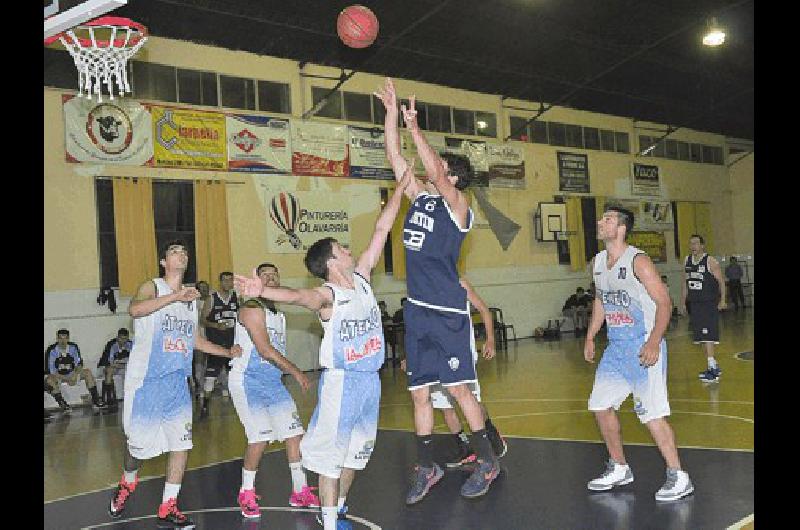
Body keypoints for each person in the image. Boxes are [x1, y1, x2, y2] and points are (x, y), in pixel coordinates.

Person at [235, 164, 412, 530]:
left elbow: (382, 229)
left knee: (355, 458)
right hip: (342, 383)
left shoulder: (362, 278)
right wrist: (262, 291)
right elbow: (298, 296)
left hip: (370, 383)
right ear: (332, 262)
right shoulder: (327, 296)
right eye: (342, 248)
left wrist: (399, 190)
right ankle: (330, 524)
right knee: (332, 458)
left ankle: (337, 509)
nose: (350, 250)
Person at [375, 77, 500, 503]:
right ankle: (427, 465)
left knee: (461, 390)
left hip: (447, 311)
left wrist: (415, 128)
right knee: (419, 393)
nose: (432, 170)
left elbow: (431, 170)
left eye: (440, 168)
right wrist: (392, 115)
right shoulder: (420, 198)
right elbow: (396, 159)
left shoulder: (460, 207)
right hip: (417, 310)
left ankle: (487, 459)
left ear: (452, 177)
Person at [107, 240, 242, 529]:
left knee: (182, 444)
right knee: (137, 447)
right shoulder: (153, 286)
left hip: (177, 384)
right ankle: (128, 482)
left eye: (184, 252)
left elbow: (193, 340)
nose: (180, 254)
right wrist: (175, 297)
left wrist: (226, 352)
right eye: (174, 251)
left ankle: (168, 506)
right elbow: (135, 310)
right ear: (163, 262)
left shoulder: (191, 300)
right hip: (146, 382)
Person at [584, 205, 693, 502]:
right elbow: (601, 301)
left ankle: (678, 475)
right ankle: (619, 467)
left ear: (621, 228)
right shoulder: (597, 263)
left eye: (607, 219)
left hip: (644, 344)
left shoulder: (638, 261)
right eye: (601, 217)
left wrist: (655, 341)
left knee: (651, 415)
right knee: (600, 406)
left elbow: (664, 303)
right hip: (616, 347)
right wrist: (592, 335)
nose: (600, 222)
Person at [229, 262, 321, 519]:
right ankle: (246, 492)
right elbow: (264, 350)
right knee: (260, 439)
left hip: (272, 383)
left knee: (294, 436)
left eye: (274, 274)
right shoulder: (250, 309)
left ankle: (299, 490)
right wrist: (297, 372)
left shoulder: (278, 314)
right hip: (248, 382)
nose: (270, 278)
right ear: (255, 280)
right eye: (264, 275)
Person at [403, 278, 507, 468]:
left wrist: (490, 339)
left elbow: (484, 309)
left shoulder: (459, 284)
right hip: (434, 355)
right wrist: (411, 356)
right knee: (444, 406)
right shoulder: (422, 288)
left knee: (469, 400)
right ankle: (465, 448)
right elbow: (418, 328)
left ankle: (489, 430)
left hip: (460, 353)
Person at [679, 235, 727, 383]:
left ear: (702, 245)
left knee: (708, 337)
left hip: (708, 304)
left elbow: (721, 282)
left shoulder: (710, 261)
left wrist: (723, 300)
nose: (692, 246)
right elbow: (685, 283)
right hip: (695, 304)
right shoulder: (687, 261)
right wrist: (682, 302)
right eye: (691, 243)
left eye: (695, 243)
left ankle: (713, 369)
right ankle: (711, 366)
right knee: (701, 339)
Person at [199, 271, 240, 418]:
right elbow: (202, 320)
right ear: (220, 282)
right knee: (211, 376)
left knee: (236, 374)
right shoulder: (212, 298)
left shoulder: (236, 298)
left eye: (231, 280)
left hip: (231, 342)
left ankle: (239, 404)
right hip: (216, 342)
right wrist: (216, 326)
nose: (229, 283)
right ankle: (205, 406)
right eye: (226, 280)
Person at [44, 329, 105, 412]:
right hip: (58, 375)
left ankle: (96, 400)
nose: (63, 341)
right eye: (60, 338)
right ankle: (62, 403)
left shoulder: (73, 347)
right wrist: (67, 379)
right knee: (49, 380)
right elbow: (52, 372)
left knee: (87, 372)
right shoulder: (51, 350)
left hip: (72, 373)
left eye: (65, 338)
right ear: (57, 339)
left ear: (68, 338)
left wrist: (75, 375)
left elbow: (79, 364)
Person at [97, 328, 133, 413]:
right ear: (117, 337)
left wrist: (123, 364)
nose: (122, 341)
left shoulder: (131, 344)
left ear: (127, 338)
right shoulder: (112, 344)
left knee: (130, 372)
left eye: (125, 339)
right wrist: (120, 364)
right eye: (121, 338)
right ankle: (108, 398)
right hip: (112, 366)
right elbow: (110, 362)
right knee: (109, 371)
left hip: (124, 366)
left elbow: (134, 360)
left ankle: (129, 397)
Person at [191, 280, 211, 398]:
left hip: (212, 335)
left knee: (213, 361)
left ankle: (216, 385)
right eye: (201, 287)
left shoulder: (212, 301)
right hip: (198, 335)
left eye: (206, 287)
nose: (204, 290)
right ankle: (199, 386)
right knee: (199, 362)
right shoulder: (193, 302)